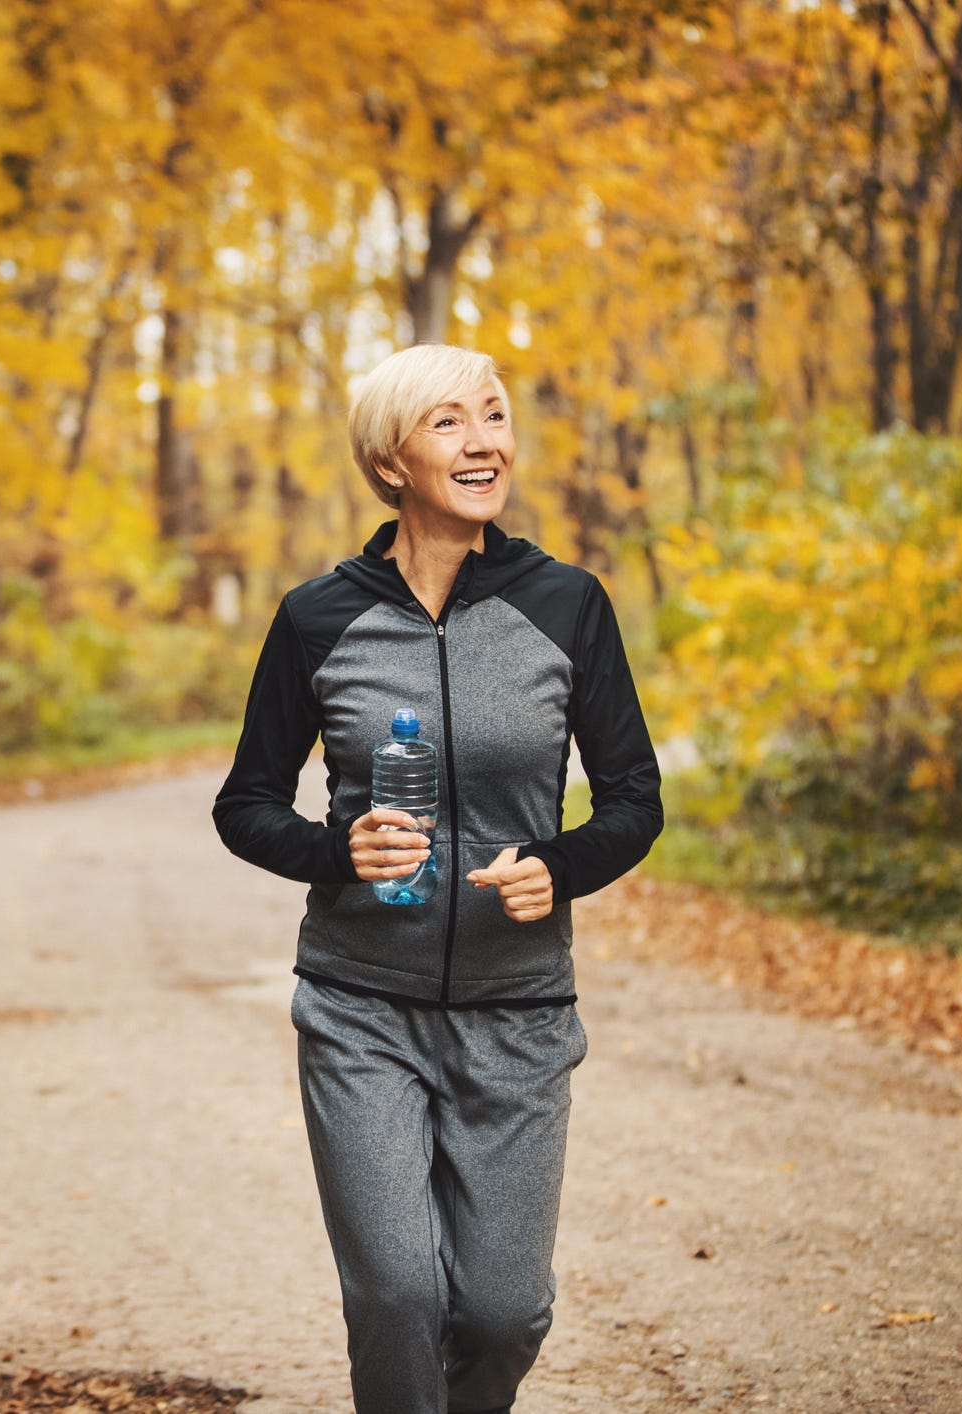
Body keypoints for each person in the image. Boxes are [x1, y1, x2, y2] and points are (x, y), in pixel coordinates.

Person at [212, 343, 662, 1413]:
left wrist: (559, 867)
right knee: (399, 1293)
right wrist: (336, 849)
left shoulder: (567, 604)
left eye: (495, 416)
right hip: (362, 1007)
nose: (484, 441)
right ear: (390, 460)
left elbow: (635, 799)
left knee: (505, 1312)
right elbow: (246, 804)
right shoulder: (320, 616)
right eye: (450, 422)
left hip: (517, 1013)